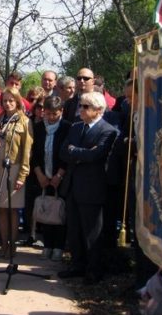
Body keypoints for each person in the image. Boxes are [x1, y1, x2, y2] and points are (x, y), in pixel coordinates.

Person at [58, 91, 118, 284]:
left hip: (92, 189)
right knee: (74, 231)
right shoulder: (75, 127)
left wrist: (75, 151)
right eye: (80, 106)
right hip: (73, 187)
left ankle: (94, 270)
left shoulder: (107, 130)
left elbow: (97, 156)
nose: (80, 110)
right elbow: (63, 152)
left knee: (92, 233)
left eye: (85, 107)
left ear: (99, 110)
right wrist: (81, 153)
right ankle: (77, 265)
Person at [0, 87, 33, 259]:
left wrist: (23, 174)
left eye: (11, 101)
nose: (7, 104)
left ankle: (13, 245)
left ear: (17, 101)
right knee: (1, 209)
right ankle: (3, 244)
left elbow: (27, 151)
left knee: (12, 209)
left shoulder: (24, 121)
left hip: (14, 169)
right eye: (4, 101)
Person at [30, 96, 71, 261]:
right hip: (43, 175)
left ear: (61, 111)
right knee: (46, 210)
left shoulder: (68, 128)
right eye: (48, 113)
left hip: (61, 175)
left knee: (59, 211)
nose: (51, 117)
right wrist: (39, 174)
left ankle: (59, 246)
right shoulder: (39, 128)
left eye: (54, 114)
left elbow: (67, 154)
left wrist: (59, 175)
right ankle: (47, 244)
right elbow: (34, 154)